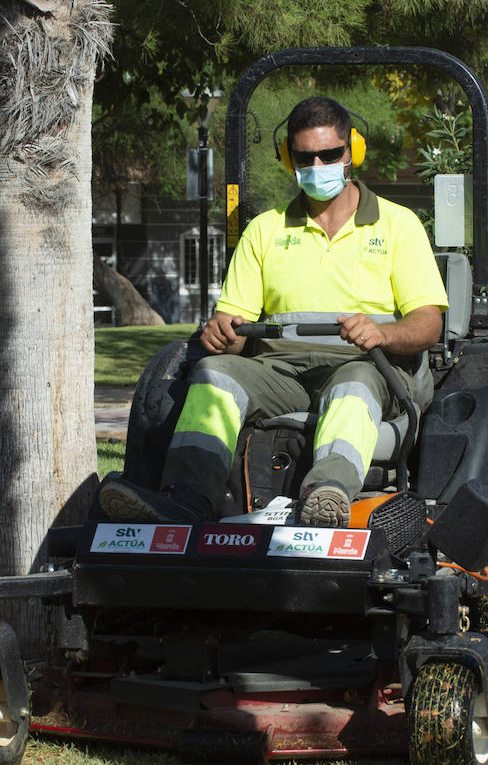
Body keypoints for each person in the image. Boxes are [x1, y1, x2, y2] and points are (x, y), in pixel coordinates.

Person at [99, 96, 448, 527]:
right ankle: (184, 502)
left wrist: (384, 334)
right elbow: (236, 322)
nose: (317, 164)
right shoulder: (264, 230)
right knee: (215, 374)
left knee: (353, 383)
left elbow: (429, 324)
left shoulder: (398, 225)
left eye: (330, 154)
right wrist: (223, 334)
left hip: (369, 364)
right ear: (289, 159)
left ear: (352, 152)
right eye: (305, 156)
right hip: (279, 371)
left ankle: (327, 496)